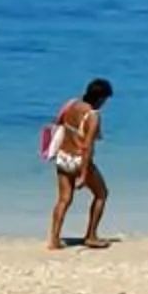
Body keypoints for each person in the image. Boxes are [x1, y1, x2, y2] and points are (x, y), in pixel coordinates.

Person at [45, 77, 113, 251]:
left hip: (62, 156)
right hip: (78, 160)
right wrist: (83, 174)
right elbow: (87, 146)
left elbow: (59, 123)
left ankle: (54, 239)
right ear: (100, 98)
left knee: (64, 199)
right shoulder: (93, 116)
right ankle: (91, 236)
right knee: (101, 194)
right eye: (105, 99)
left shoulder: (71, 105)